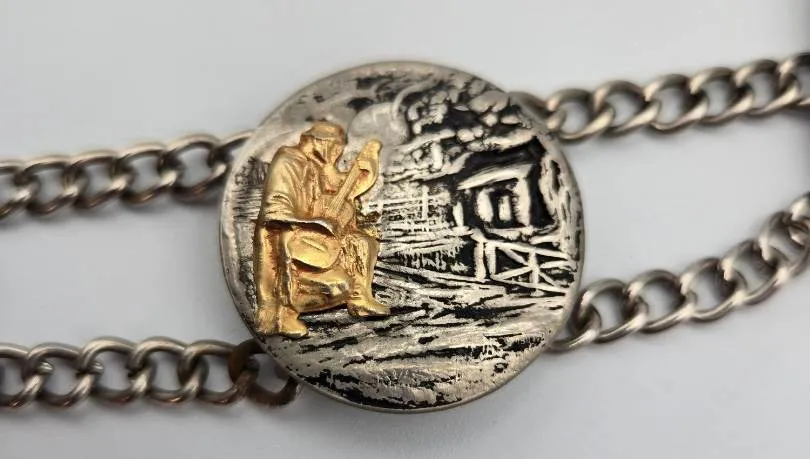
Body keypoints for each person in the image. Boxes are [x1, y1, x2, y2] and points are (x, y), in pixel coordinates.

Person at [253, 121, 389, 338]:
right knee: (338, 287)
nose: (337, 153)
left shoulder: (319, 166)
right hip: (290, 236)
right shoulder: (288, 160)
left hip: (321, 236)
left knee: (364, 243)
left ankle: (360, 299)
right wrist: (314, 223)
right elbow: (275, 209)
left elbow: (346, 188)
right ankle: (284, 313)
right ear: (320, 141)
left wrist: (367, 169)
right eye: (335, 147)